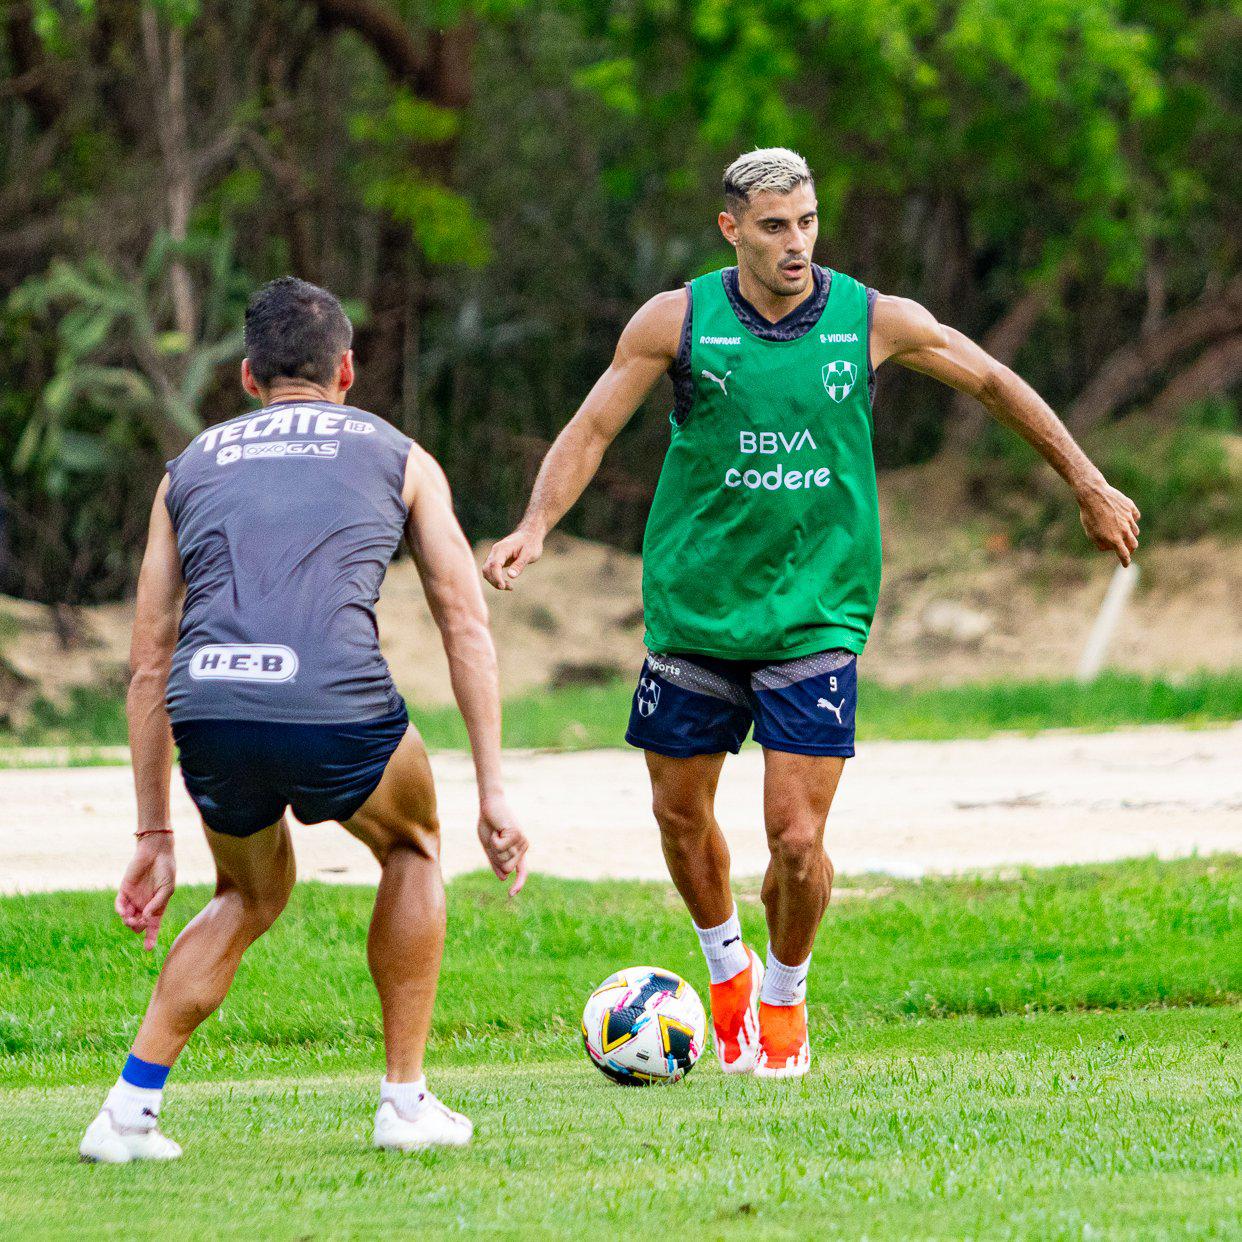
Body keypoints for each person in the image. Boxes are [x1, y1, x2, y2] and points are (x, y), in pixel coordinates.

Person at [483, 148, 1139, 1079]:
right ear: (732, 230)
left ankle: (784, 999)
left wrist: (1088, 481)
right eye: (776, 226)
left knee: (796, 840)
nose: (797, 244)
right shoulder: (677, 321)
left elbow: (994, 381)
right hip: (696, 611)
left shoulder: (873, 320)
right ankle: (726, 973)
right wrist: (535, 524)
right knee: (678, 816)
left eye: (809, 222)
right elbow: (592, 429)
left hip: (816, 614)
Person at [80, 276, 528, 1162]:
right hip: (332, 700)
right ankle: (404, 1103)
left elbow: (147, 661)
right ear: (347, 370)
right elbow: (462, 617)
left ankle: (126, 1114)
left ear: (248, 376)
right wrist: (493, 791)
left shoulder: (189, 467)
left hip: (209, 704)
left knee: (247, 892)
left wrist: (152, 830)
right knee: (411, 845)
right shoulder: (400, 455)